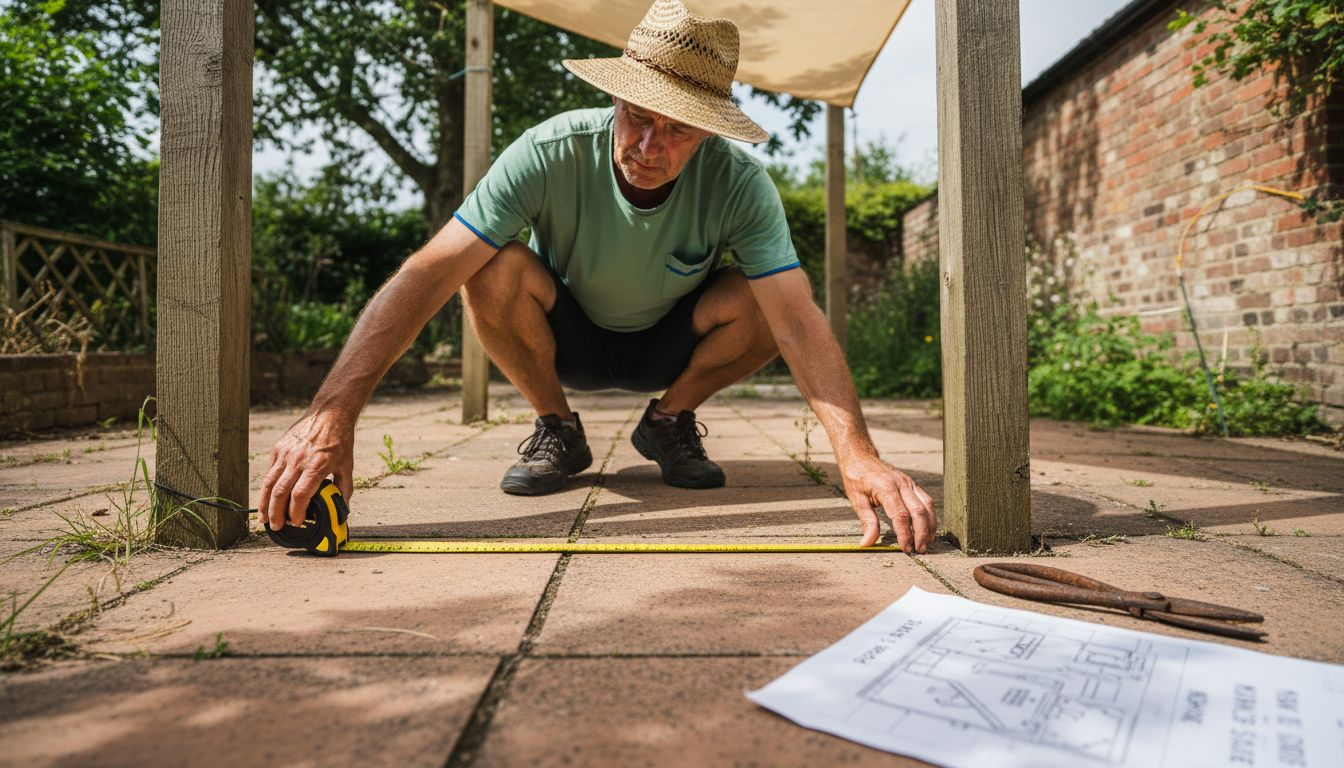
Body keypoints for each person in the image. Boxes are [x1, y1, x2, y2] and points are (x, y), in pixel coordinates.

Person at [259, 0, 937, 553]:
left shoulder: (740, 185)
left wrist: (860, 455)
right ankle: (558, 427)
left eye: (678, 132)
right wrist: (331, 416)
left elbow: (796, 319)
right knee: (489, 266)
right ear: (616, 98)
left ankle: (669, 421)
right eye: (639, 117)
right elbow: (427, 274)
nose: (649, 148)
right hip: (568, 336)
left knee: (767, 296)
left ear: (709, 133)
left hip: (673, 344)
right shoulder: (548, 152)